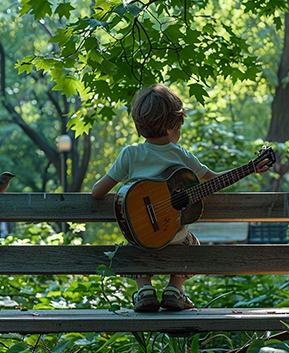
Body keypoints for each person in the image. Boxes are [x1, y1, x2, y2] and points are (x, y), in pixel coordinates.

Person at [91, 84, 269, 312]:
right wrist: (250, 168)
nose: (180, 130)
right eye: (179, 125)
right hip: (175, 237)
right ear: (169, 128)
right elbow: (213, 180)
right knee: (192, 243)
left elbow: (98, 192)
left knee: (131, 244)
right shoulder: (181, 155)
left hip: (142, 238)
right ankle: (174, 289)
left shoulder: (130, 154)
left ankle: (144, 289)